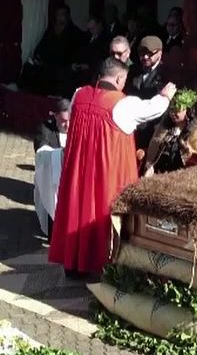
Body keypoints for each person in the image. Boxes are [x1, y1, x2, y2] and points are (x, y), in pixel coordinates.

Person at [48, 58, 176, 277]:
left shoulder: (79, 95)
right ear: (118, 78)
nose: (124, 85)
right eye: (124, 81)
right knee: (100, 217)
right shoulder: (123, 105)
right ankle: (100, 264)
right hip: (105, 175)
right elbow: (151, 109)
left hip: (79, 173)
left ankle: (73, 264)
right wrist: (165, 96)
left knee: (76, 212)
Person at [140, 88, 197, 176]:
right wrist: (150, 166)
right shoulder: (163, 128)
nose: (173, 113)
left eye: (177, 109)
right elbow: (154, 150)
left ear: (187, 110)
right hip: (160, 174)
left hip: (181, 176)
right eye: (171, 109)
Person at [34, 99, 70, 237]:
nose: (67, 125)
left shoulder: (76, 129)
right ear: (55, 116)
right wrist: (60, 154)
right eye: (63, 121)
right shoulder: (45, 128)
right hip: (50, 177)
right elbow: (41, 149)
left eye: (69, 120)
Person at [128, 36, 166, 151]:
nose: (145, 57)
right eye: (142, 53)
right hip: (133, 126)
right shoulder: (133, 70)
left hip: (153, 129)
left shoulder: (165, 73)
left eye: (149, 54)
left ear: (160, 53)